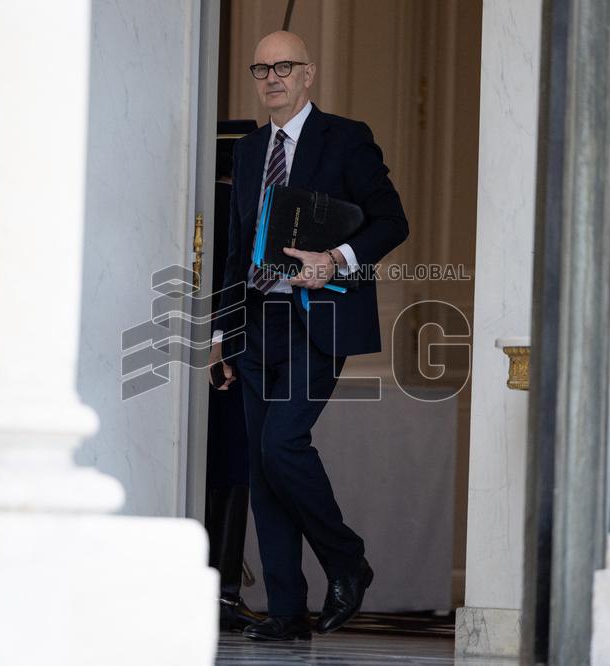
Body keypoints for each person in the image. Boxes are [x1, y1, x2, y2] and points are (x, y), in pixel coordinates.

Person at [208, 30, 409, 642]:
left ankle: (346, 560)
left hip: (316, 319)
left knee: (281, 446)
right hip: (254, 324)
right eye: (261, 69)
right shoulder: (249, 151)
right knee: (262, 468)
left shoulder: (345, 139)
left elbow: (392, 221)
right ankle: (287, 610)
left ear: (308, 74)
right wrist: (220, 332)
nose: (272, 78)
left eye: (284, 67)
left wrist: (336, 259)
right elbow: (236, 247)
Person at [204, 120, 264, 633]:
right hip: (230, 353)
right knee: (231, 471)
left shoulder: (190, 208)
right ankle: (222, 591)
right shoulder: (246, 210)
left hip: (181, 351)